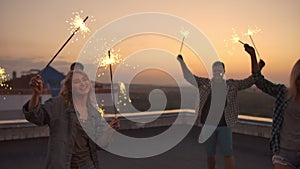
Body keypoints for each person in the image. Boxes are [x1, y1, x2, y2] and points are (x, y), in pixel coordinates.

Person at [177, 49, 259, 169]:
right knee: (210, 154)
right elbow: (189, 77)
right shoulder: (205, 84)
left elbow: (250, 81)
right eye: (215, 70)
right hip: (208, 125)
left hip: (224, 125)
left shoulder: (231, 85)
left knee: (228, 153)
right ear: (212, 71)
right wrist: (181, 62)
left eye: (220, 70)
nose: (218, 72)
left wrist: (257, 66)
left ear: (224, 71)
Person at [23, 69, 120, 169]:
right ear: (69, 87)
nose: (82, 83)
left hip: (88, 165)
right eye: (77, 82)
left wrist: (109, 130)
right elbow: (35, 116)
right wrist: (36, 94)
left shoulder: (94, 113)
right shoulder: (58, 105)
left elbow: (99, 144)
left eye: (84, 80)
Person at [246, 44, 300, 169]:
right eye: (299, 78)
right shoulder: (284, 93)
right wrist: (253, 56)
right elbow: (259, 81)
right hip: (283, 153)